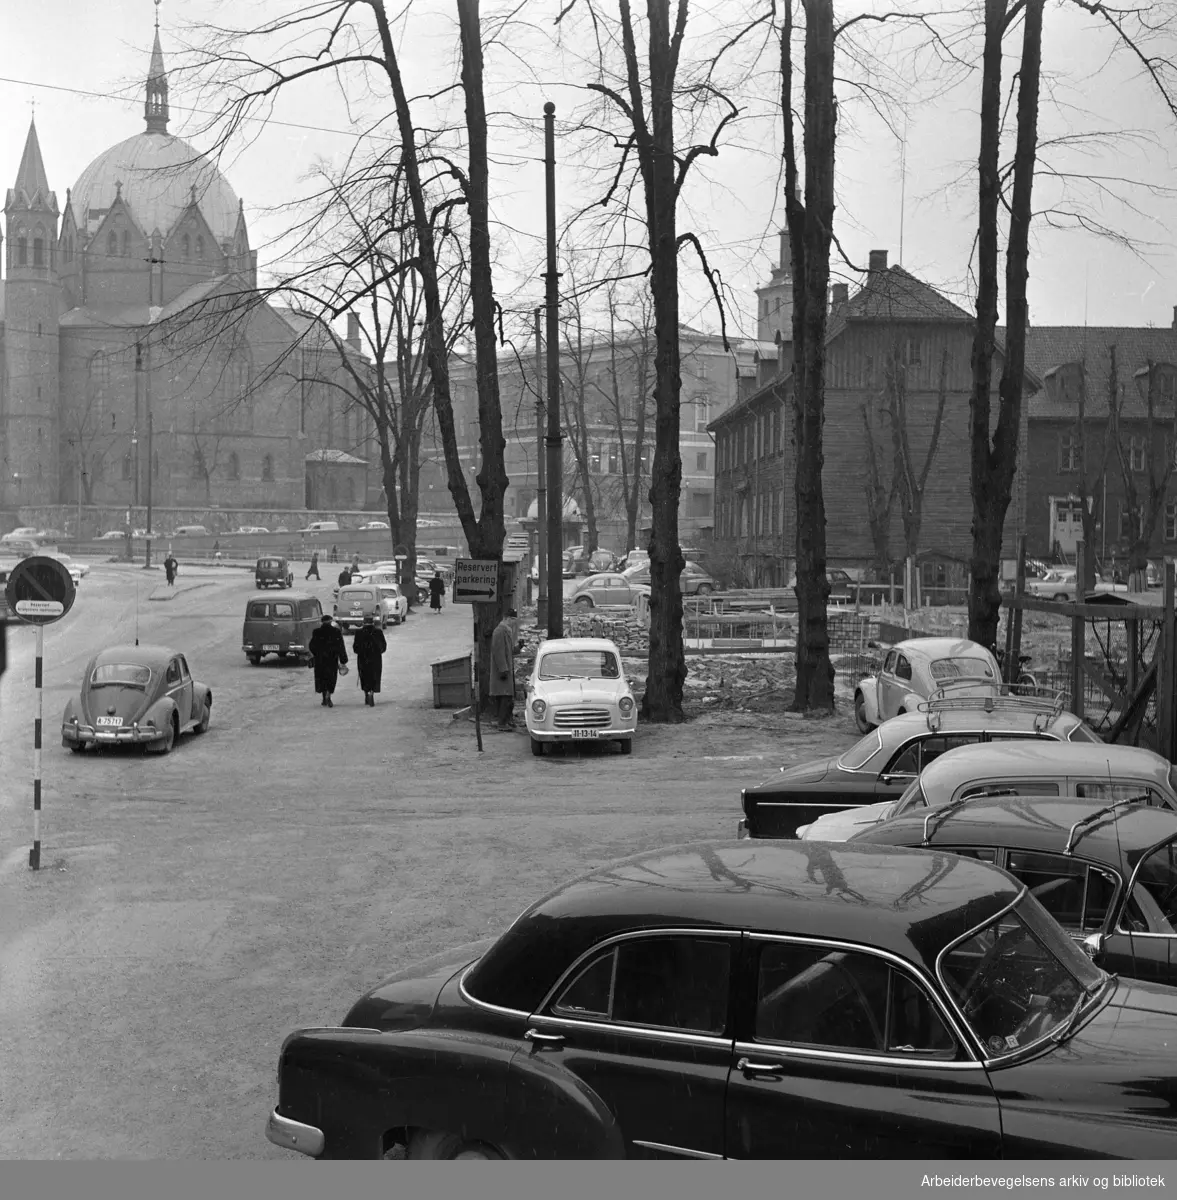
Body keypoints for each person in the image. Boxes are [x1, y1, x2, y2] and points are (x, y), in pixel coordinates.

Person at [308, 614, 348, 707]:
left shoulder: (316, 632)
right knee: (331, 678)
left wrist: (316, 654)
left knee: (322, 678)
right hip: (332, 659)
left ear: (321, 622)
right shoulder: (336, 632)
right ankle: (328, 695)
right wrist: (343, 659)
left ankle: (324, 697)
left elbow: (312, 646)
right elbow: (340, 646)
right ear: (331, 622)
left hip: (320, 660)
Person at [490, 608, 519, 730]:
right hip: (502, 671)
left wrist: (518, 648)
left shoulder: (506, 631)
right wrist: (503, 669)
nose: (514, 622)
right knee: (505, 697)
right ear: (507, 618)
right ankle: (502, 723)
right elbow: (498, 652)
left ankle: (507, 720)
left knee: (508, 697)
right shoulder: (499, 632)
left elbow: (508, 651)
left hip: (506, 670)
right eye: (512, 619)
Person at [353, 613, 388, 707]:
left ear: (363, 622)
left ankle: (366, 693)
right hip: (375, 658)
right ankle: (372, 691)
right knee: (374, 675)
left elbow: (355, 648)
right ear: (373, 622)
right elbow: (384, 646)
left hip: (362, 658)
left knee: (364, 676)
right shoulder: (378, 632)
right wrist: (378, 652)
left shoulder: (359, 633)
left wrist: (361, 651)